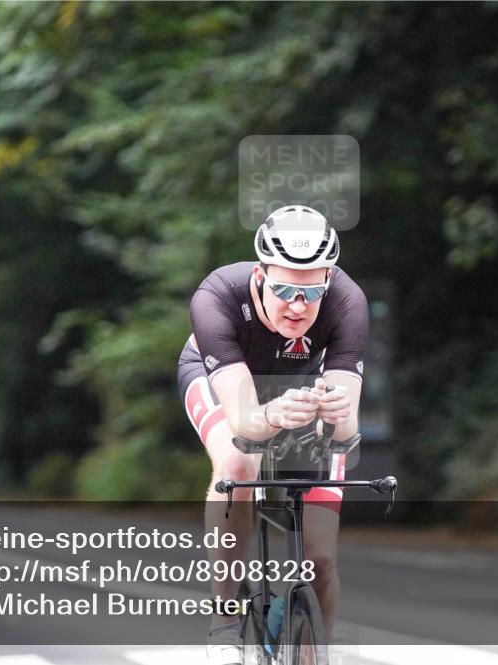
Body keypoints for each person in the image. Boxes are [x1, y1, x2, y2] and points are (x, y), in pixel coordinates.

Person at [176, 205, 369, 665]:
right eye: (284, 289)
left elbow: (347, 438)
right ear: (260, 275)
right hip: (224, 383)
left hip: (300, 387)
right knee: (239, 464)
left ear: (329, 279)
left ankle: (316, 650)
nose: (298, 306)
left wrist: (340, 417)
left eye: (311, 291)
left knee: (320, 561)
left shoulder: (347, 301)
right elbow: (244, 422)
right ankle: (224, 621)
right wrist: (274, 414)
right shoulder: (218, 296)